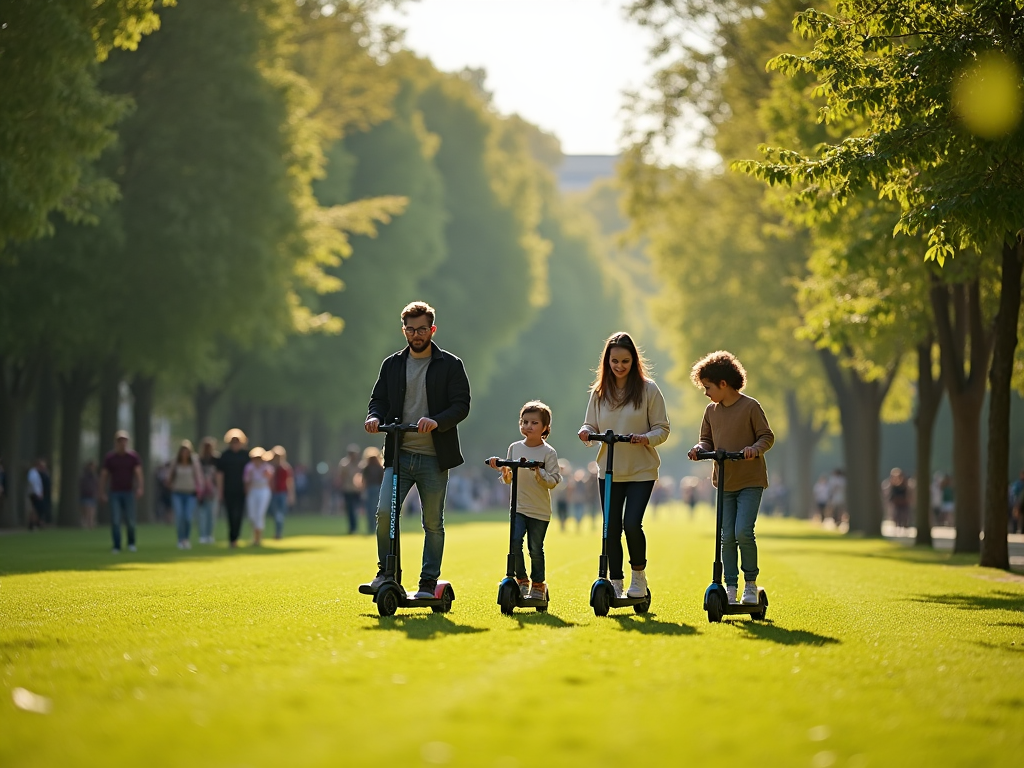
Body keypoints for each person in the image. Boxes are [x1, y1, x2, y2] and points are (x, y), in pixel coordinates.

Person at [363, 301, 471, 598]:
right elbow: (379, 400)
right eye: (410, 329)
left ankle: (427, 582)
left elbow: (461, 405)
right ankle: (387, 572)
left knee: (432, 522)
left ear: (432, 329)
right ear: (404, 330)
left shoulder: (450, 364)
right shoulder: (393, 364)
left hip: (435, 458)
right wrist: (375, 417)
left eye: (422, 329)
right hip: (399, 455)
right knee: (385, 513)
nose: (416, 334)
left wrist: (436, 421)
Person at [579, 331, 671, 599]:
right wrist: (586, 432)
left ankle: (638, 578)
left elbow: (662, 429)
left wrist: (645, 438)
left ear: (634, 362)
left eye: (625, 361)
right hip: (609, 469)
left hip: (641, 470)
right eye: (614, 361)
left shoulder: (648, 389)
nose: (619, 367)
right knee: (611, 528)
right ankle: (616, 581)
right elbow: (590, 424)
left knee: (631, 524)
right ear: (606, 361)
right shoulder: (599, 392)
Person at [687, 350, 774, 606]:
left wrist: (754, 449)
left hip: (750, 480)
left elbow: (766, 436)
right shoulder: (711, 411)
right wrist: (700, 449)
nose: (706, 392)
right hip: (725, 481)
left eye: (708, 387)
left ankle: (750, 583)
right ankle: (730, 585)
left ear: (723, 384)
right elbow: (706, 439)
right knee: (726, 536)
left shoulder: (750, 407)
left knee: (743, 532)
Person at [488, 401, 562, 600]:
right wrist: (502, 468)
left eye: (534, 423)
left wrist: (539, 471)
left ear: (545, 427)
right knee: (514, 542)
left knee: (535, 548)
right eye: (525, 421)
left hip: (539, 510)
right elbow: (508, 478)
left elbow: (554, 480)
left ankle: (538, 584)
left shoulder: (549, 453)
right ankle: (521, 580)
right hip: (518, 507)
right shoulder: (514, 448)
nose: (528, 426)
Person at [99, 431, 144, 553]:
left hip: (129, 492)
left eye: (124, 441)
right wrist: (102, 491)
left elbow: (138, 473)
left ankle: (131, 543)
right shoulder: (110, 458)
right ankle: (116, 545)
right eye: (120, 441)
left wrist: (140, 487)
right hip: (115, 493)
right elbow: (104, 475)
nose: (122, 443)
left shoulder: (133, 457)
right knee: (115, 519)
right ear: (116, 442)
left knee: (130, 520)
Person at [216, 428, 249, 547]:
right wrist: (220, 490)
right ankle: (232, 538)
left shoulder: (246, 455)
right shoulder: (225, 456)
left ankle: (236, 536)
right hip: (228, 489)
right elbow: (220, 475)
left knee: (239, 514)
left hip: (242, 489)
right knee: (230, 514)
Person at [167, 440, 203, 549]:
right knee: (179, 517)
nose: (185, 454)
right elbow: (169, 477)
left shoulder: (194, 462)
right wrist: (171, 486)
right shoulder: (175, 462)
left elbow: (198, 477)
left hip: (190, 494)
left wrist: (200, 489)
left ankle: (186, 539)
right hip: (177, 493)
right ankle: (180, 539)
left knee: (187, 517)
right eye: (183, 451)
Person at [244, 447, 274, 546]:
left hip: (263, 490)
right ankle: (254, 535)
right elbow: (246, 481)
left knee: (259, 514)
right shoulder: (249, 467)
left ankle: (258, 538)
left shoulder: (267, 468)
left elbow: (270, 479)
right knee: (252, 515)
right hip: (253, 490)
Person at [269, 446, 295, 540]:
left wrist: (291, 495)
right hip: (274, 493)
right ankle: (277, 532)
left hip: (282, 493)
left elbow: (289, 482)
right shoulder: (271, 468)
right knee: (276, 514)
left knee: (280, 515)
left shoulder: (286, 468)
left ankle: (278, 533)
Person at [335, 445, 363, 535]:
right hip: (347, 489)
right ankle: (352, 528)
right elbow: (341, 477)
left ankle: (354, 527)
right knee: (350, 509)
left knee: (356, 509)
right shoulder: (344, 464)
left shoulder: (359, 464)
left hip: (357, 490)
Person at [196, 437, 219, 544]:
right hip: (201, 490)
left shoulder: (216, 459)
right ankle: (203, 535)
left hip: (212, 490)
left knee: (211, 514)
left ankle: (209, 535)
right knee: (202, 514)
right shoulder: (198, 460)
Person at [359, 447, 384, 535]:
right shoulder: (380, 467)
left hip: (369, 489)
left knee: (370, 509)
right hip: (378, 489)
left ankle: (371, 528)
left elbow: (363, 480)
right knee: (376, 509)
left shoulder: (366, 467)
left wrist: (362, 490)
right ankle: (376, 527)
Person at [26, 458, 50, 531]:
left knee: (35, 509)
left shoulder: (37, 473)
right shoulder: (33, 473)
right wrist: (38, 493)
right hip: (34, 493)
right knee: (34, 509)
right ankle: (32, 523)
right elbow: (34, 484)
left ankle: (35, 523)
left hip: (36, 493)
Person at [885, 467, 910, 531]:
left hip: (904, 502)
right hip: (896, 503)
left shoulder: (905, 484)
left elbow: (907, 493)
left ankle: (904, 526)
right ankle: (898, 526)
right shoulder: (892, 485)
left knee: (904, 515)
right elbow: (891, 494)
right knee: (897, 515)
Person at [79, 460, 99, 529]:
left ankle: (90, 525)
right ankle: (86, 525)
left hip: (92, 496)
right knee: (86, 512)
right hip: (85, 495)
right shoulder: (84, 476)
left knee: (92, 512)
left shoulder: (94, 476)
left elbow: (96, 485)